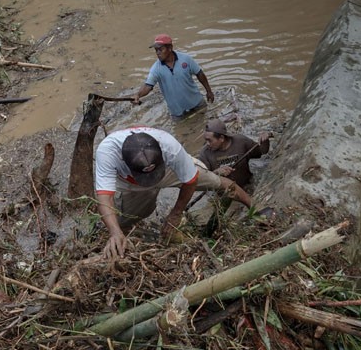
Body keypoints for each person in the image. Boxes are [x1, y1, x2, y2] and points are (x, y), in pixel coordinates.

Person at [94, 126, 253, 258]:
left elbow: (190, 180)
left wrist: (176, 213)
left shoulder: (169, 146)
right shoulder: (108, 153)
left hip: (168, 170)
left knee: (215, 181)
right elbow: (104, 198)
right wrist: (115, 232)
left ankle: (254, 207)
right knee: (124, 221)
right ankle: (129, 238)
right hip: (130, 182)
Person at [131, 34, 215, 120]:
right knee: (180, 131)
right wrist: (138, 95)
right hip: (177, 112)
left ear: (170, 48)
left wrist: (209, 91)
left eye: (160, 49)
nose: (157, 53)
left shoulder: (186, 59)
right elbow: (148, 86)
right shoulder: (156, 69)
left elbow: (199, 73)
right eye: (156, 50)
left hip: (197, 104)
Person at [199, 118, 271, 189]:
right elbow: (203, 179)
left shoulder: (241, 141)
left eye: (209, 140)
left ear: (221, 138)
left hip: (247, 185)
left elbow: (262, 152)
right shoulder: (205, 153)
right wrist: (216, 172)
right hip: (224, 192)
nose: (207, 144)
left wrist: (264, 140)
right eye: (206, 140)